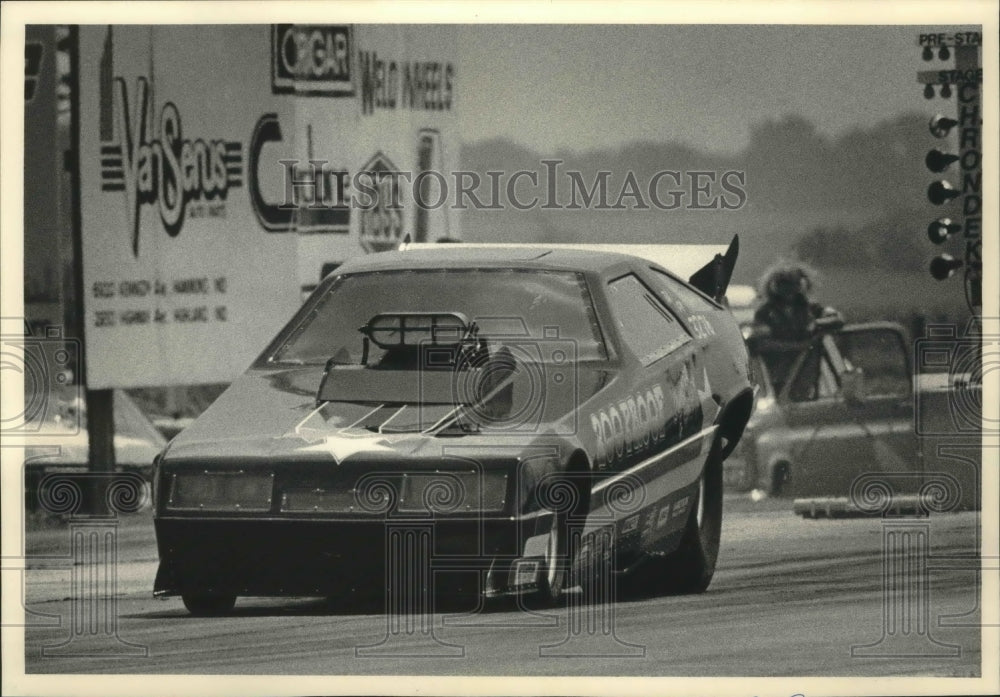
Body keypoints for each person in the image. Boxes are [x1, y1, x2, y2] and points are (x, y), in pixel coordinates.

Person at [748, 261, 842, 393]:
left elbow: (836, 318)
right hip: (778, 374)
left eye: (793, 283)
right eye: (784, 283)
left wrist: (818, 324)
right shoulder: (766, 313)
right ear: (774, 285)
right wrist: (797, 346)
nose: (789, 289)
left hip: (809, 375)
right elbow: (758, 344)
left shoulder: (811, 309)